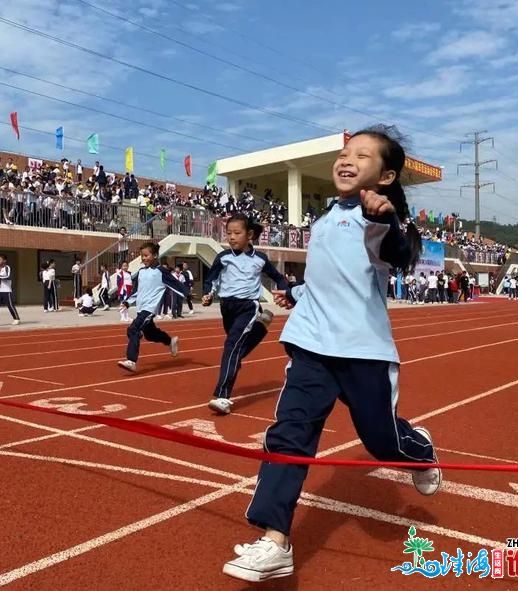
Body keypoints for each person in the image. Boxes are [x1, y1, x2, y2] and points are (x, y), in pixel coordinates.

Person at [222, 126, 441, 582]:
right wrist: (299, 294)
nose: (347, 160)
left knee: (382, 441)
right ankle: (275, 540)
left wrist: (385, 219)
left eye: (362, 156)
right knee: (289, 434)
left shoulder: (380, 221)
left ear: (385, 177)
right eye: (345, 153)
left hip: (362, 350)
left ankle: (419, 451)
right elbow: (332, 275)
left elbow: (395, 255)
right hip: (311, 346)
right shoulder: (323, 219)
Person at [202, 213, 288, 415]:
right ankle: (262, 326)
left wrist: (286, 291)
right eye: (228, 233)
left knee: (231, 346)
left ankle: (223, 396)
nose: (231, 237)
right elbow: (211, 279)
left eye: (237, 233)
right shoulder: (223, 257)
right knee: (235, 350)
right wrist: (208, 294)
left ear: (249, 235)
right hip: (227, 307)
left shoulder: (259, 259)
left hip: (248, 307)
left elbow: (277, 277)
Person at [117, 242, 185, 372]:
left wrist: (187, 294)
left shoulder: (161, 272)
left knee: (133, 329)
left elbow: (176, 285)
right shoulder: (141, 272)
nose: (143, 258)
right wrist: (127, 302)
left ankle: (131, 360)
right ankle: (170, 341)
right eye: (141, 256)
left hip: (150, 309)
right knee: (149, 334)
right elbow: (137, 291)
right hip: (141, 308)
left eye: (146, 255)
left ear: (154, 255)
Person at [0, 254, 20, 325]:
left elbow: (8, 276)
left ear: (4, 260)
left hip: (6, 290)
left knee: (10, 305)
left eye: (0, 259)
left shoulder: (7, 267)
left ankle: (16, 318)